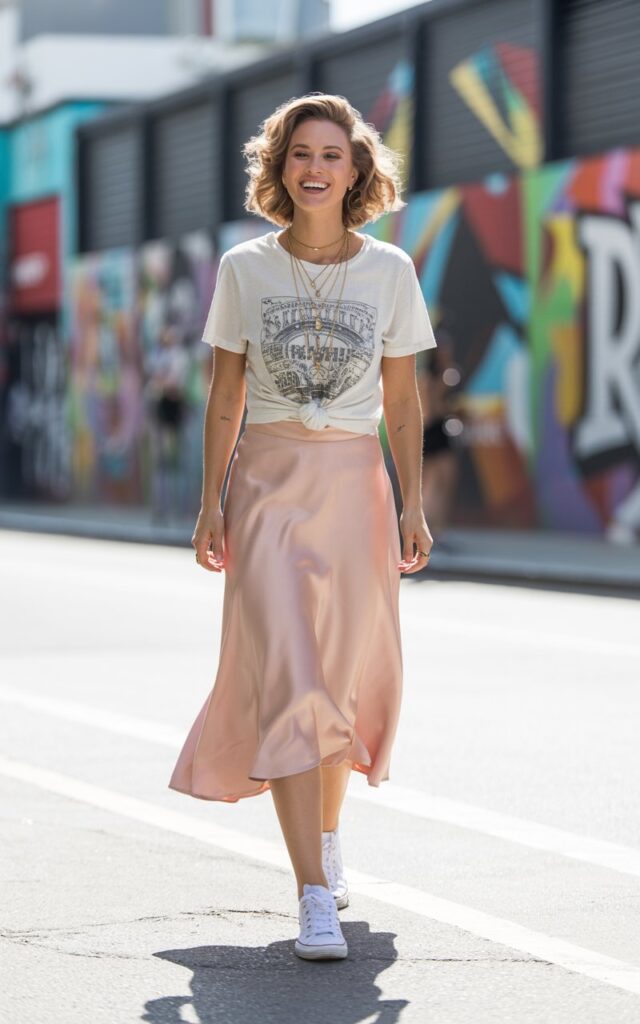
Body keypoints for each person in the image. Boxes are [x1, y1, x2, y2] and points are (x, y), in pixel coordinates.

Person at [168, 93, 437, 961]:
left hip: (355, 485)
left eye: (331, 155)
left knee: (339, 682)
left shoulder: (390, 269)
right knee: (290, 677)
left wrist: (412, 503)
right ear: (278, 169)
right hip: (269, 485)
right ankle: (312, 894)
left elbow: (404, 399)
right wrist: (211, 501)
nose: (314, 168)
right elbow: (225, 396)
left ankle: (324, 837)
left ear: (356, 171)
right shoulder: (244, 267)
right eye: (299, 154)